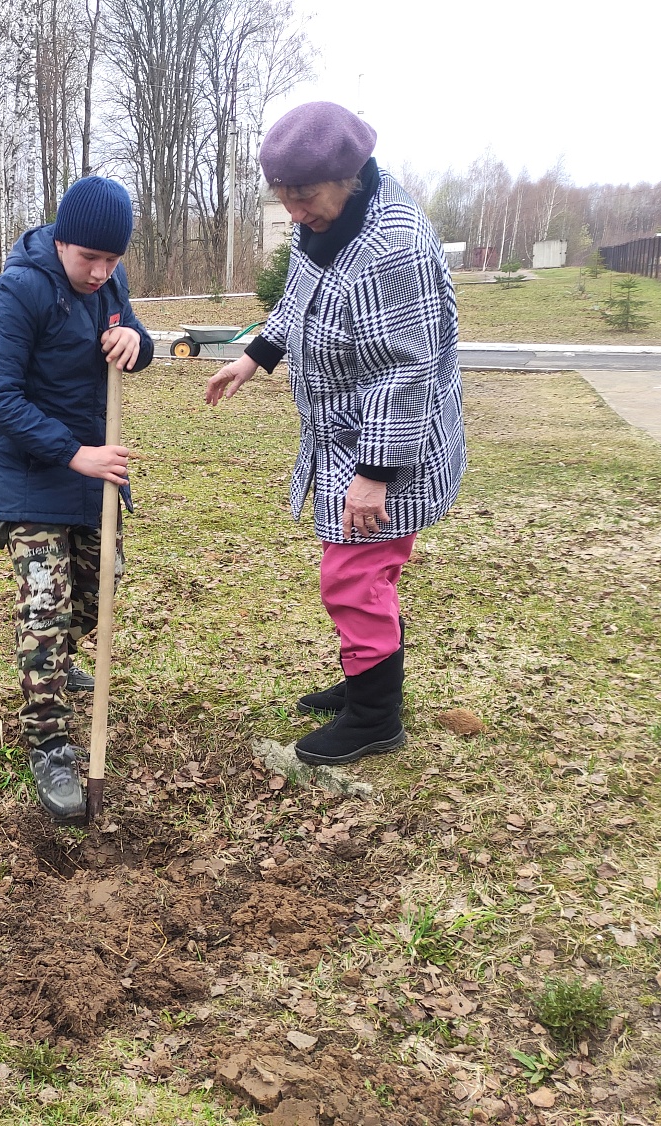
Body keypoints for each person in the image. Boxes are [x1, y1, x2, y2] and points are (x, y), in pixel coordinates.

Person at [205, 101, 465, 767]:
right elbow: (301, 295)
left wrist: (374, 474)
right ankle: (364, 680)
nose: (295, 213)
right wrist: (256, 355)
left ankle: (376, 717)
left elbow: (406, 369)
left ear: (348, 177)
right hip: (346, 434)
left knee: (353, 576)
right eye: (284, 198)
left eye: (305, 197)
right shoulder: (328, 222)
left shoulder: (391, 249)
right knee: (367, 575)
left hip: (388, 446)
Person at [0, 175, 154, 821]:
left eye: (112, 260)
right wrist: (73, 453)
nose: (100, 272)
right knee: (45, 612)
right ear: (60, 241)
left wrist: (138, 343)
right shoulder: (19, 290)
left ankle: (59, 661)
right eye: (89, 258)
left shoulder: (110, 283)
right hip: (32, 474)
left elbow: (133, 338)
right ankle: (48, 743)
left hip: (90, 470)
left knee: (102, 581)